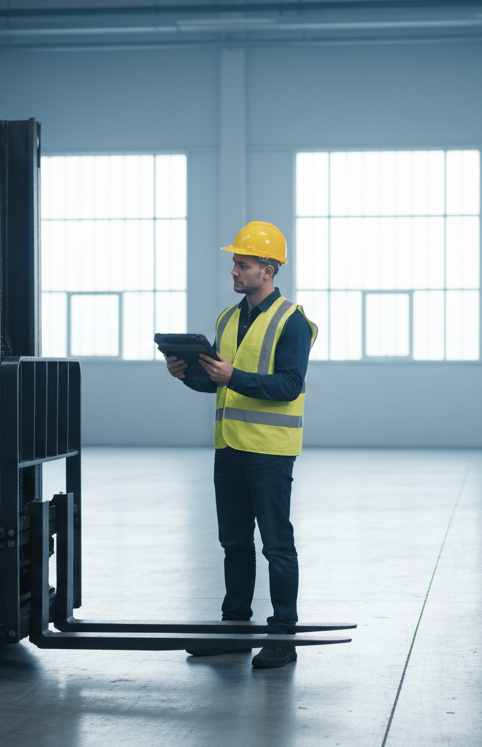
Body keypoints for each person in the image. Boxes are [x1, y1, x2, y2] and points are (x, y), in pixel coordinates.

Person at [165, 221, 317, 669]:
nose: (234, 270)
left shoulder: (293, 322)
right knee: (233, 541)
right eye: (234, 262)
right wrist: (187, 375)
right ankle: (235, 630)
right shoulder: (228, 318)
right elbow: (219, 385)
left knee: (276, 544)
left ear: (267, 270)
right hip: (229, 447)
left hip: (270, 450)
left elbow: (290, 384)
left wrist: (234, 376)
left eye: (243, 264)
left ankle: (282, 635)